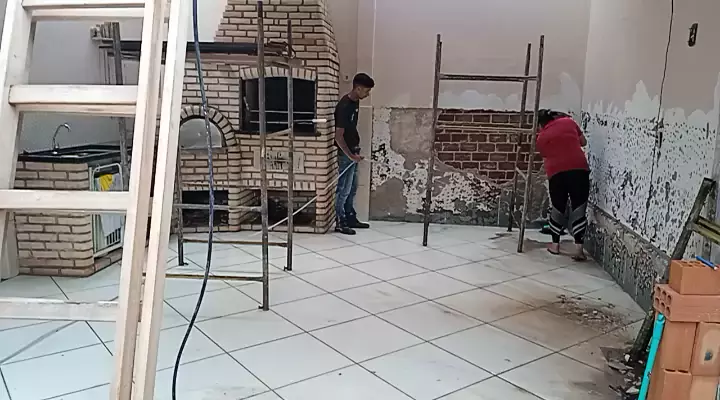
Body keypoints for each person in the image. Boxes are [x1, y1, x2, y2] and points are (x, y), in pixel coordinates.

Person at [535, 109, 590, 261]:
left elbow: (544, 153)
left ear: (540, 124)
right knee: (579, 206)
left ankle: (555, 245)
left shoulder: (541, 137)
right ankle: (579, 249)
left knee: (558, 207)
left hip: (556, 172)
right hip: (579, 169)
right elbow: (583, 142)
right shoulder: (569, 122)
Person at [334, 73, 375, 235]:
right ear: (358, 88)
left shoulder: (355, 102)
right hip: (346, 154)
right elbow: (338, 136)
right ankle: (340, 221)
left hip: (353, 151)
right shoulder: (344, 106)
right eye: (366, 91)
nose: (368, 94)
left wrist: (355, 152)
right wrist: (350, 155)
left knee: (352, 187)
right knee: (343, 188)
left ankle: (350, 216)